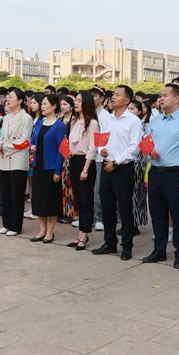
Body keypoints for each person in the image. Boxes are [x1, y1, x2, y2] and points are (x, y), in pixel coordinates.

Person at [142, 83, 179, 269]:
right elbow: (145, 142)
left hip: (176, 173)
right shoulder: (155, 120)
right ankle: (159, 250)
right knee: (157, 215)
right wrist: (150, 152)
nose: (161, 98)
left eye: (165, 95)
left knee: (178, 216)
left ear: (176, 98)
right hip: (155, 172)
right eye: (160, 95)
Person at [92, 85, 142, 261]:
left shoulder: (133, 121)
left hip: (123, 168)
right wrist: (102, 151)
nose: (113, 97)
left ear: (127, 100)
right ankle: (109, 242)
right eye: (113, 94)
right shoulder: (107, 119)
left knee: (124, 208)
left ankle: (127, 246)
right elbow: (100, 141)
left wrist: (116, 162)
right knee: (107, 206)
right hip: (107, 166)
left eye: (117, 95)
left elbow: (134, 148)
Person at [0, 88, 34, 236]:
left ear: (20, 100)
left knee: (16, 195)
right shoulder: (6, 118)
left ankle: (15, 226)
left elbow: (24, 141)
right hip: (4, 160)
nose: (8, 99)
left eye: (11, 97)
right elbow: (2, 136)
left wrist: (4, 147)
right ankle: (6, 224)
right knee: (6, 194)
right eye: (7, 97)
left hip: (18, 160)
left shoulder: (26, 118)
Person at [29, 94, 68, 243]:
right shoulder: (39, 123)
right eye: (42, 104)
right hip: (38, 166)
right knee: (39, 200)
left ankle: (50, 232)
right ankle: (42, 230)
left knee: (51, 200)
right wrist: (32, 147)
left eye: (45, 104)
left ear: (54, 106)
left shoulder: (59, 126)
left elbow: (62, 150)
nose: (42, 106)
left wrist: (58, 171)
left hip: (51, 168)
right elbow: (33, 140)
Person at [67, 92, 99, 250]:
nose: (76, 103)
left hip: (86, 163)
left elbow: (93, 148)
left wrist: (85, 169)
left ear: (86, 103)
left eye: (79, 100)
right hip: (74, 161)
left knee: (86, 200)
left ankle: (84, 235)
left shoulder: (92, 123)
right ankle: (80, 233)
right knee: (78, 200)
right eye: (76, 100)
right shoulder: (73, 121)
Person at [127, 99, 149, 232]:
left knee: (137, 194)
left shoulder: (145, 126)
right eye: (128, 109)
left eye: (132, 109)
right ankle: (127, 222)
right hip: (125, 162)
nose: (129, 111)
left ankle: (135, 223)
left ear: (140, 112)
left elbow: (147, 148)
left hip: (139, 163)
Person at [91, 87, 110, 232]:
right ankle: (88, 217)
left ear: (102, 98)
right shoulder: (88, 113)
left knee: (98, 190)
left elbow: (104, 137)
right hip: (87, 156)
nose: (92, 99)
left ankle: (99, 218)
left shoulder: (104, 115)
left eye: (94, 96)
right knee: (88, 189)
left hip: (98, 157)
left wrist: (98, 150)